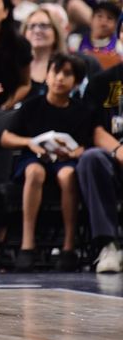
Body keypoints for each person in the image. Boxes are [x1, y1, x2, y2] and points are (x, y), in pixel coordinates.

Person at [1, 53, 93, 271]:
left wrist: (77, 151)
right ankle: (27, 244)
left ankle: (69, 246)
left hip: (66, 161)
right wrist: (29, 142)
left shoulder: (83, 111)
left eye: (68, 74)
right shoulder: (32, 106)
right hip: (35, 157)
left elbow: (88, 143)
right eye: (56, 72)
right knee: (34, 172)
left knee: (67, 176)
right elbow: (5, 137)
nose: (60, 78)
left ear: (77, 82)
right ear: (47, 75)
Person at [78, 56, 123, 273]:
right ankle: (108, 245)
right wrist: (119, 151)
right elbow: (94, 130)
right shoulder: (100, 82)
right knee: (91, 158)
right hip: (112, 157)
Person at [22, 8, 66, 98]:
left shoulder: (66, 66)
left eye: (44, 26)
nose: (37, 31)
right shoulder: (14, 65)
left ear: (56, 33)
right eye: (31, 26)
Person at [68, 1, 123, 69]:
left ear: (116, 25)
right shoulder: (75, 41)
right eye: (99, 16)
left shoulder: (119, 47)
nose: (103, 22)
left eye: (109, 18)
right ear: (91, 20)